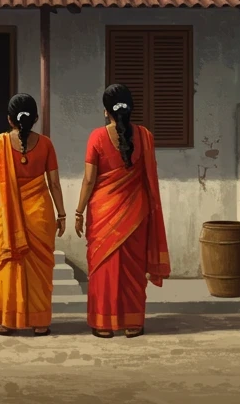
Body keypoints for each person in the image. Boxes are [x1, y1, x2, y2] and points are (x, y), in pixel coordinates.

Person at [74, 83, 171, 338]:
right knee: (132, 271)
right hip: (136, 215)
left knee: (104, 270)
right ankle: (133, 324)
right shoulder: (145, 137)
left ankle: (104, 324)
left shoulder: (96, 137)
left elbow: (88, 180)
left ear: (106, 111)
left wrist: (78, 212)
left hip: (102, 214)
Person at [0, 93, 66, 336]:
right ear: (35, 118)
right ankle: (40, 323)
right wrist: (62, 215)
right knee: (39, 269)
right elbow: (55, 184)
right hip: (40, 214)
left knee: (9, 266)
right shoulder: (46, 144)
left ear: (9, 119)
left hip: (6, 216)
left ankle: (7, 321)